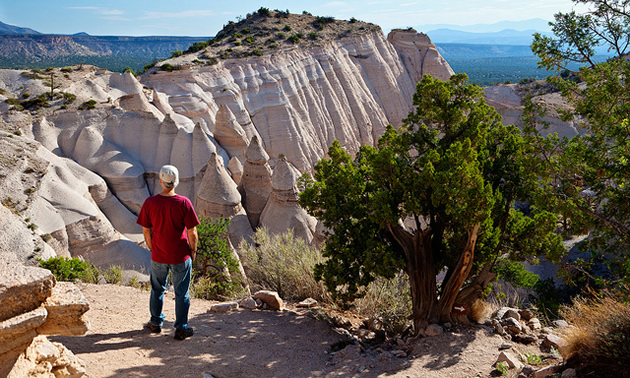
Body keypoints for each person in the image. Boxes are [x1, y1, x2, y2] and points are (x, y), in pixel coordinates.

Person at [137, 165, 200, 340]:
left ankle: (155, 323)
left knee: (157, 289)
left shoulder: (150, 202)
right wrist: (193, 250)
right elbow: (192, 232)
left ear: (160, 181)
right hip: (180, 255)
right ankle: (181, 327)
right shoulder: (184, 203)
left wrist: (152, 247)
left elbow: (146, 230)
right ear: (176, 182)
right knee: (181, 292)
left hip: (158, 255)